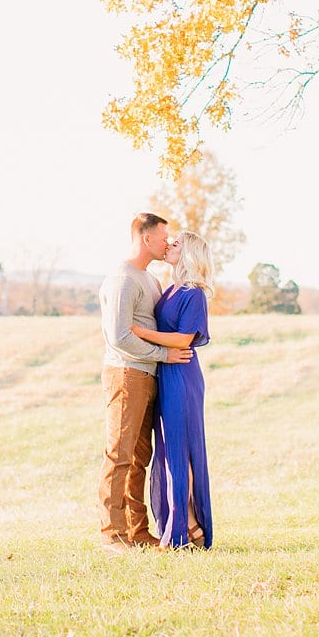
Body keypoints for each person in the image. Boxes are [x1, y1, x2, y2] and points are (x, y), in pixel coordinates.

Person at [96, 212, 194, 553]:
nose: (168, 242)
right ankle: (112, 533)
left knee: (140, 458)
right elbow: (120, 336)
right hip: (127, 373)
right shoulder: (123, 279)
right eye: (163, 236)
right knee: (119, 455)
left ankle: (137, 531)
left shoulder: (149, 280)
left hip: (147, 375)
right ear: (145, 237)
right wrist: (165, 355)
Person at [132, 229, 214, 550]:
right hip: (166, 373)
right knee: (169, 451)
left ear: (189, 253)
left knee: (181, 451)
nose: (169, 245)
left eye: (176, 244)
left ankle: (186, 528)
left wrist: (137, 331)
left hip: (181, 376)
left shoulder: (194, 293)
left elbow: (183, 340)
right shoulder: (170, 289)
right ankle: (183, 525)